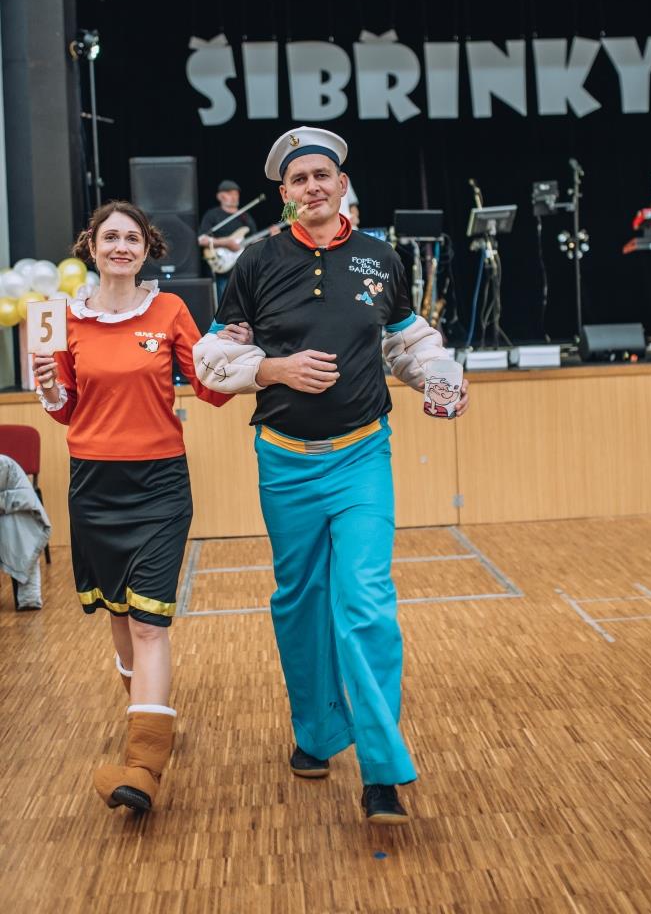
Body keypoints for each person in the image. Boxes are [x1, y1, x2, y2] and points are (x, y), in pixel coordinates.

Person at [193, 126, 470, 824]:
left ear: (342, 184)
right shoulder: (255, 262)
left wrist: (438, 375)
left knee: (367, 602)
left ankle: (381, 771)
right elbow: (213, 357)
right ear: (284, 194)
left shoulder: (381, 258)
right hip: (283, 461)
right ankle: (315, 733)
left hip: (361, 457)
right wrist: (273, 369)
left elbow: (406, 339)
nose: (313, 186)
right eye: (299, 179)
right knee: (299, 602)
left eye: (323, 175)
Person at [32, 200, 249, 814]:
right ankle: (145, 717)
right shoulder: (59, 317)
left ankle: (144, 764)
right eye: (110, 237)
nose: (121, 247)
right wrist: (47, 385)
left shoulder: (170, 309)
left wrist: (233, 354)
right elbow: (66, 410)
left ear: (147, 248)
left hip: (159, 486)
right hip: (93, 486)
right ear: (91, 246)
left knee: (150, 622)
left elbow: (208, 388)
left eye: (132, 238)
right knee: (120, 615)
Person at [197, 180, 259, 300]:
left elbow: (255, 240)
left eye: (236, 194)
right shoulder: (212, 215)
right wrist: (226, 243)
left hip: (242, 269)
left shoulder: (245, 216)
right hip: (222, 266)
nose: (234, 197)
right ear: (220, 196)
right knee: (224, 302)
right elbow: (202, 240)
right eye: (229, 193)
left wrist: (272, 236)